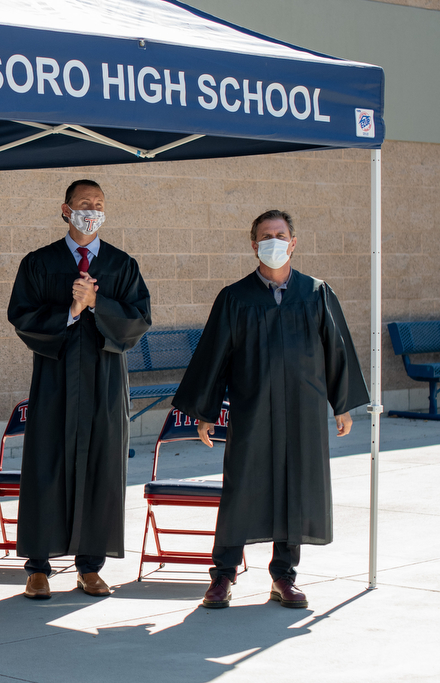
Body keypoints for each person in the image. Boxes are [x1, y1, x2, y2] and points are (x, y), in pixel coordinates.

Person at [172, 209, 369, 610]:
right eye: (266, 235)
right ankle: (222, 576)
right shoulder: (235, 297)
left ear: (293, 242)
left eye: (280, 234)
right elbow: (214, 356)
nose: (274, 241)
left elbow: (337, 349)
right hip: (253, 407)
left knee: (295, 487)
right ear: (254, 245)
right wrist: (206, 409)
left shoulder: (316, 292)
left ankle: (283, 576)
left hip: (303, 407)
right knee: (241, 486)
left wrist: (342, 404)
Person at [7, 180, 151, 599]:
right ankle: (38, 567)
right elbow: (21, 315)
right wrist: (70, 311)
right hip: (54, 379)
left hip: (104, 379)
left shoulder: (122, 265)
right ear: (67, 210)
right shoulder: (39, 262)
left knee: (100, 468)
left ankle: (90, 567)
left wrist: (96, 304)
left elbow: (139, 319)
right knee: (46, 465)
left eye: (99, 204)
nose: (93, 209)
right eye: (85, 203)